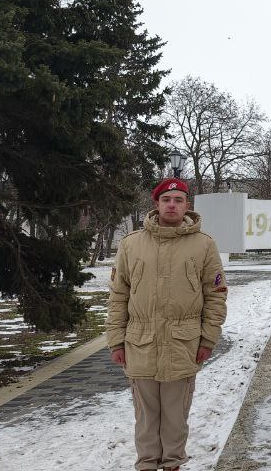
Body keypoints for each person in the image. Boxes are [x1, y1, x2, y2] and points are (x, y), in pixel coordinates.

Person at [106, 177, 227, 471]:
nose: (172, 205)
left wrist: (208, 339)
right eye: (166, 200)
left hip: (183, 344)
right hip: (140, 344)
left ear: (187, 205)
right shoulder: (131, 244)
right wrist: (116, 340)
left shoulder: (204, 245)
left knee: (175, 415)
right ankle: (147, 464)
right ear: (156, 204)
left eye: (178, 200)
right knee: (146, 417)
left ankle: (173, 464)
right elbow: (118, 295)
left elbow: (216, 296)